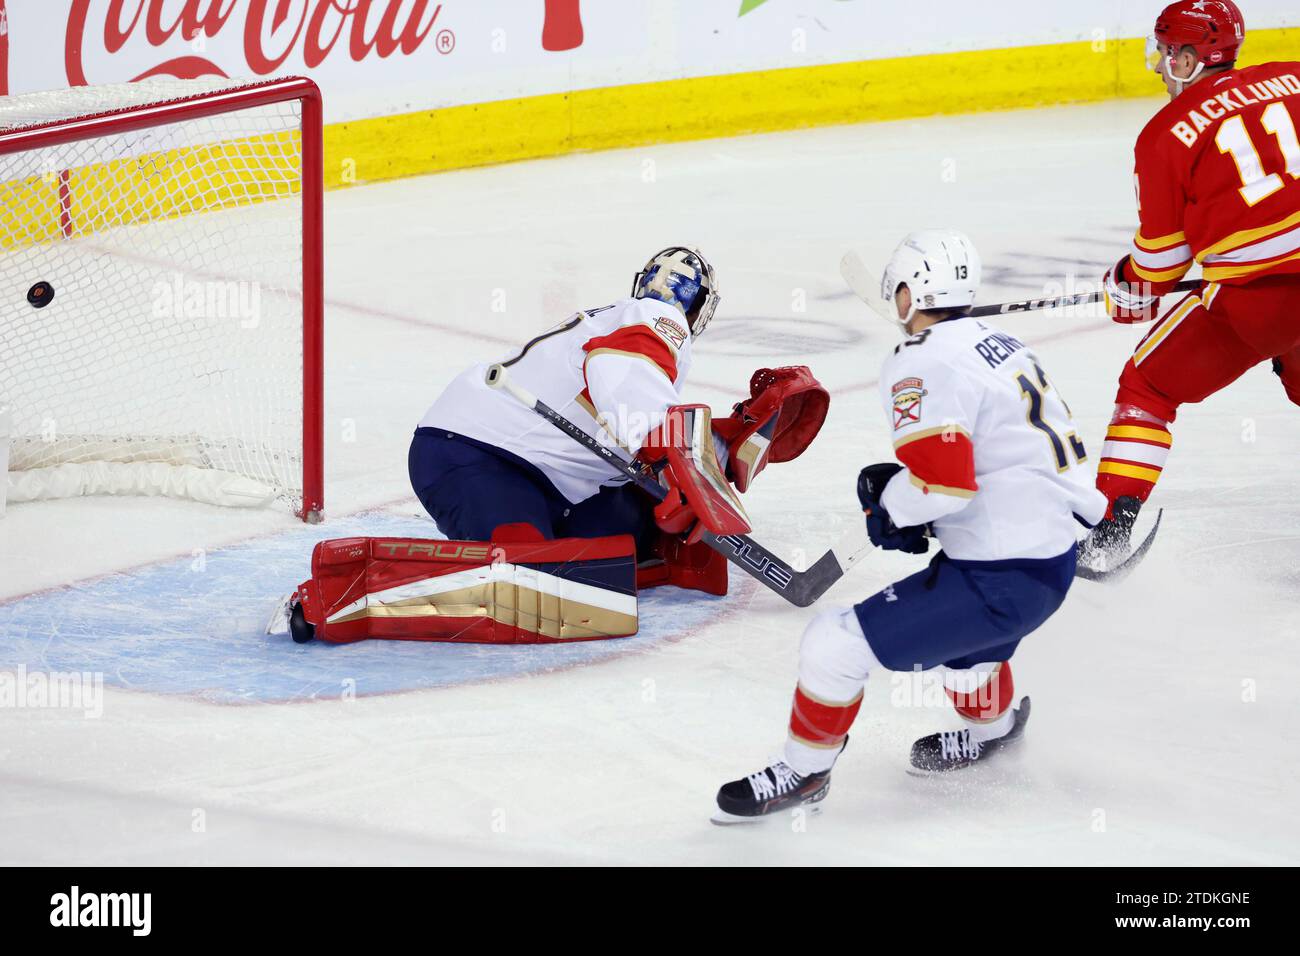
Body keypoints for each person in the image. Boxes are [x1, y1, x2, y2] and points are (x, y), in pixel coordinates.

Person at [712, 231, 1107, 823]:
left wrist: (889, 504)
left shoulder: (924, 359)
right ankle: (994, 729)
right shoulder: (1002, 344)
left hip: (1000, 578)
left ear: (908, 293)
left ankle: (804, 771)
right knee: (968, 661)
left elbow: (945, 485)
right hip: (1050, 561)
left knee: (833, 645)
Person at [409, 246, 827, 597]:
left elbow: (635, 420)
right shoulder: (656, 319)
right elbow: (621, 373)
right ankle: (407, 582)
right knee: (528, 582)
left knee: (637, 535)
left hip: (554, 481)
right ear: (698, 306)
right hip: (475, 454)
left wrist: (724, 442)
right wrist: (671, 457)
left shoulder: (624, 318)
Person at [1084, 0, 1300, 565]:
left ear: (1185, 59)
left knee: (1148, 387)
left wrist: (1126, 288)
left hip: (1261, 306)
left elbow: (1159, 264)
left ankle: (1106, 537)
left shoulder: (1163, 135)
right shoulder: (1295, 77)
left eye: (1162, 52)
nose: (1157, 66)